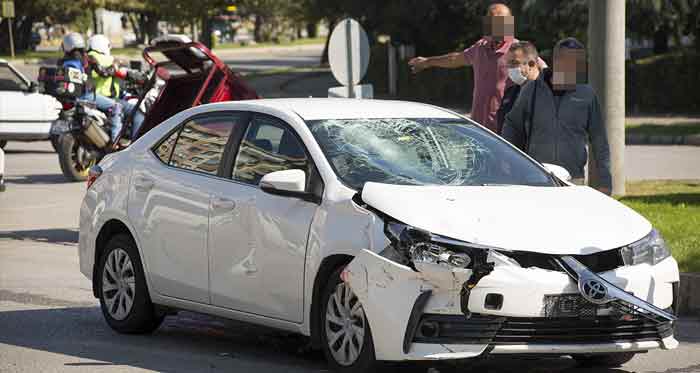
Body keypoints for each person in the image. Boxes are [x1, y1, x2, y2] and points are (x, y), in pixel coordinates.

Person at [408, 3, 545, 133]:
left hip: (507, 130)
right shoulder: (480, 47)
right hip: (480, 129)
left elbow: (543, 70)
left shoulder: (517, 49)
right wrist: (427, 62)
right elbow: (455, 59)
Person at [502, 37, 612, 195]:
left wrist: (605, 182)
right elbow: (512, 126)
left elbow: (599, 140)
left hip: (573, 181)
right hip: (536, 178)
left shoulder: (587, 95)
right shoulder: (531, 90)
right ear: (555, 61)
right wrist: (508, 165)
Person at [85, 34, 126, 145]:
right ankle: (115, 141)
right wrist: (119, 62)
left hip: (90, 95)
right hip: (100, 96)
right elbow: (116, 63)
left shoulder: (88, 56)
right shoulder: (102, 58)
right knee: (119, 107)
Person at [496, 41, 541, 133]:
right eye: (508, 64)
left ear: (531, 64)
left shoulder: (548, 93)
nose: (510, 68)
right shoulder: (510, 93)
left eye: (514, 63)